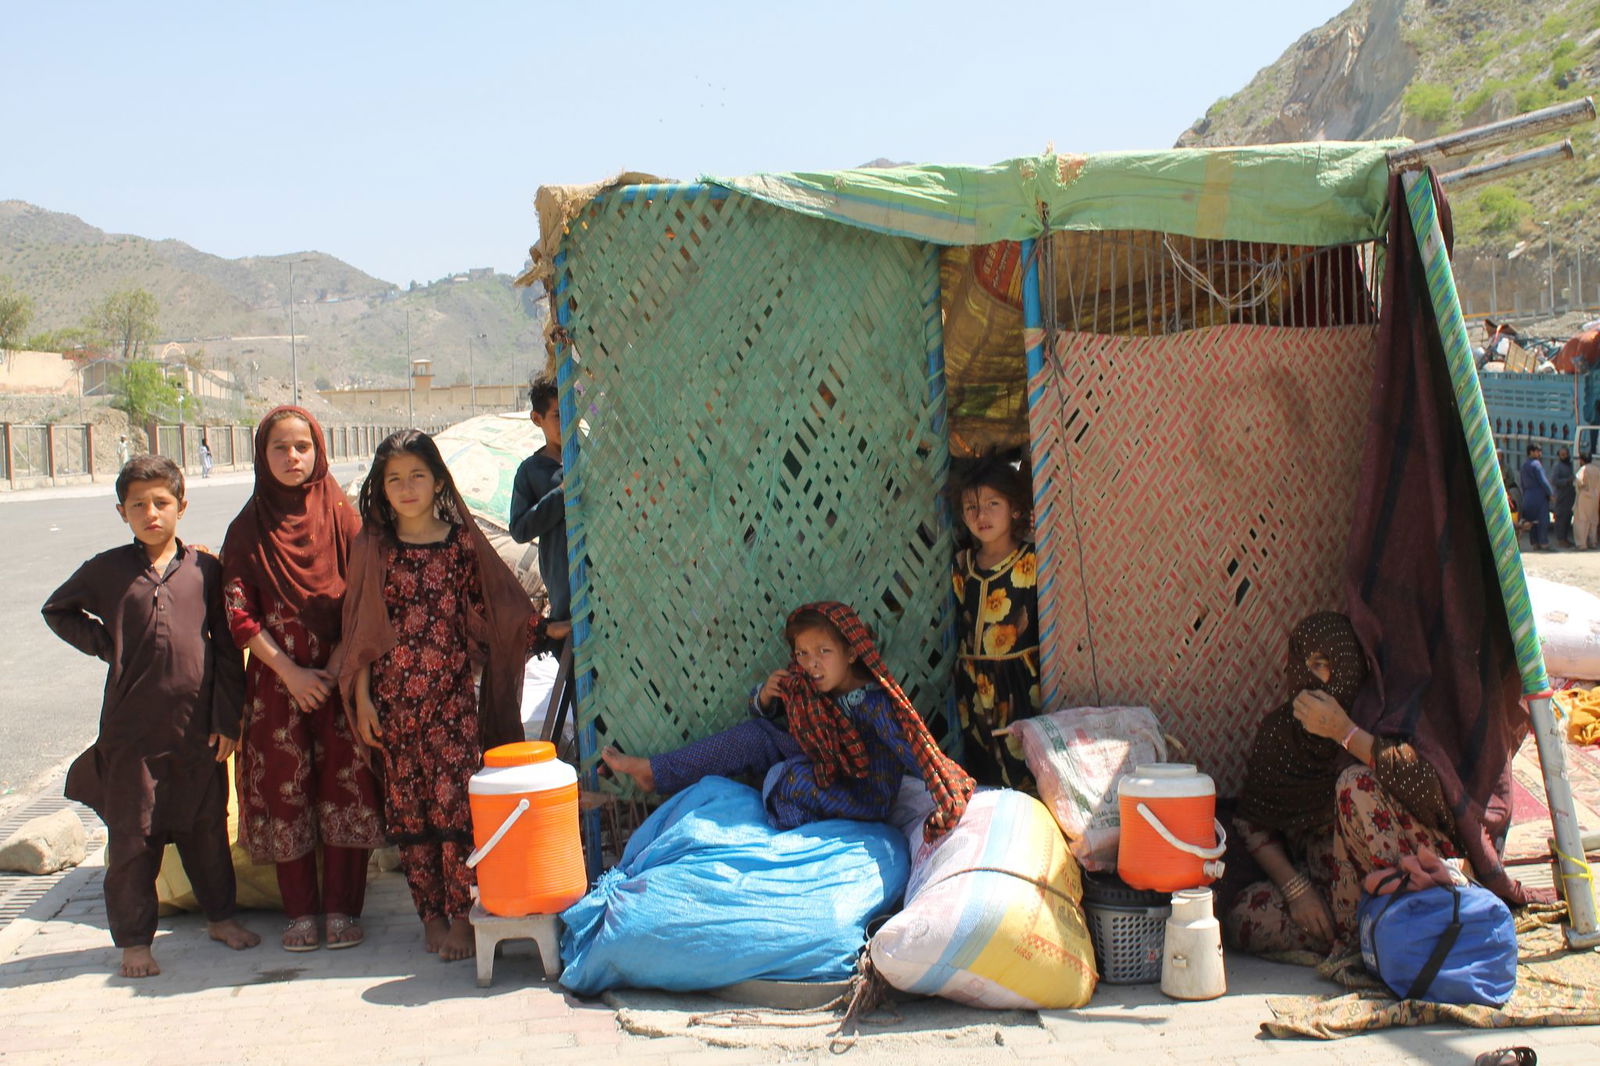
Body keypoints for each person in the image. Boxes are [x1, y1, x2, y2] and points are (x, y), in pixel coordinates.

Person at [339, 430, 567, 962]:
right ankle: (431, 918)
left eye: (417, 475)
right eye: (394, 478)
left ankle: (463, 915)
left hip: (451, 703)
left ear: (438, 480)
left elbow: (495, 605)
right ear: (382, 487)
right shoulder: (374, 548)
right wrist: (364, 699)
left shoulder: (460, 543)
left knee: (456, 810)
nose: (407, 487)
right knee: (410, 814)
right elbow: (360, 632)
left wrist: (541, 631)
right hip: (394, 705)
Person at [41, 456, 259, 978]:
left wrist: (227, 720)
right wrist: (104, 644)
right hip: (132, 733)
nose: (151, 512)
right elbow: (57, 610)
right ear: (122, 512)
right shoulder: (109, 570)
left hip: (197, 729)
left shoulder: (206, 570)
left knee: (206, 827)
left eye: (161, 502)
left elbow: (229, 651)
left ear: (181, 506)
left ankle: (221, 917)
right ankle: (135, 941)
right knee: (134, 837)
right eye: (138, 504)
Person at [1225, 613, 1540, 959]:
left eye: (1322, 665)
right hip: (1332, 886)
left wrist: (1343, 732)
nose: (1309, 679)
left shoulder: (1380, 711)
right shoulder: (1280, 735)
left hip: (1407, 864)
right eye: (1303, 664)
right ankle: (1369, 937)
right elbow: (1253, 823)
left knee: (1354, 785)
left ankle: (1412, 922)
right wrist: (1296, 889)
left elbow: (1428, 790)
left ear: (1348, 667)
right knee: (1244, 916)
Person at [601, 601, 975, 838]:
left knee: (790, 781)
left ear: (850, 653)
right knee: (754, 735)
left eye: (823, 652)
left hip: (861, 793)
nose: (811, 663)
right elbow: (770, 717)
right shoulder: (810, 684)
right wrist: (765, 696)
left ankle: (789, 844)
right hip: (825, 765)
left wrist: (944, 785)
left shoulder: (874, 704)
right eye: (803, 653)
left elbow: (912, 748)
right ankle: (656, 771)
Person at [221, 407, 383, 952]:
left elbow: (364, 592)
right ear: (262, 457)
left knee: (345, 785)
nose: (293, 458)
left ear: (318, 450)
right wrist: (291, 673)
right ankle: (299, 912)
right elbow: (239, 614)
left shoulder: (340, 513)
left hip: (341, 679)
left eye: (302, 447)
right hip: (276, 683)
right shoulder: (247, 529)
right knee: (285, 791)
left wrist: (336, 667)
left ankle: (342, 908)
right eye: (280, 449)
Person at [950, 457, 1041, 788]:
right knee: (983, 762)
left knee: (1024, 763)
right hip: (974, 684)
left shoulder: (1032, 561)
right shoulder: (962, 564)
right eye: (971, 507)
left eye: (992, 504)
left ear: (1015, 509)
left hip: (1018, 682)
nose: (981, 515)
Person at [509, 375, 569, 625]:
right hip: (563, 579)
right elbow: (520, 529)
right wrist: (562, 494)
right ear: (537, 419)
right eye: (558, 414)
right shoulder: (531, 471)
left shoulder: (591, 461)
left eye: (572, 411)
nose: (567, 420)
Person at [1519, 444, 1553, 551]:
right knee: (1542, 520)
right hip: (1539, 496)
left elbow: (1522, 483)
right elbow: (1543, 481)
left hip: (1528, 496)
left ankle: (1534, 543)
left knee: (1531, 521)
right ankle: (1544, 543)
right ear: (1531, 452)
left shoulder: (1524, 465)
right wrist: (1550, 493)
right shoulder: (1537, 465)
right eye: (1538, 451)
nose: (1540, 454)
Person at [1553, 445, 1576, 548]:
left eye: (1566, 454)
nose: (1565, 456)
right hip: (1561, 497)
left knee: (1567, 519)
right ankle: (1560, 539)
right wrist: (1567, 481)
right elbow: (1554, 481)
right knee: (1561, 519)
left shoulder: (1571, 465)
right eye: (1562, 455)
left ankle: (1566, 539)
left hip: (1570, 497)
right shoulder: (1557, 466)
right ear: (1559, 455)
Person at [1577, 453, 1600, 550]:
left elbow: (1579, 479)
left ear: (1582, 460)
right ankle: (1593, 542)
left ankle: (1582, 544)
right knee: (1594, 520)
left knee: (1583, 520)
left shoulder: (1583, 469)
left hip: (1585, 497)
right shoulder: (1597, 469)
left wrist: (1582, 487)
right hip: (1596, 497)